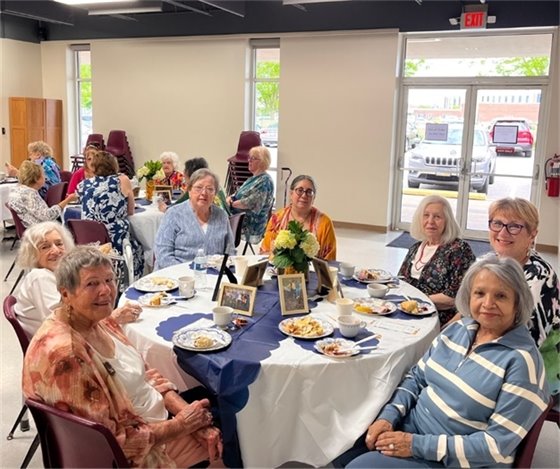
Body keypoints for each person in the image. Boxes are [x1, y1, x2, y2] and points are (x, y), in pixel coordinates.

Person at [22, 247, 222, 468]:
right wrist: (182, 425)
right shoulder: (67, 357)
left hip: (151, 417)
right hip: (138, 452)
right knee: (231, 442)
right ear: (65, 293)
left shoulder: (98, 320)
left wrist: (189, 416)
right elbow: (112, 442)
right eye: (92, 283)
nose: (106, 290)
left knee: (221, 406)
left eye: (109, 279)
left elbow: (147, 376)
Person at [345, 255, 549, 468]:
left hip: (454, 460)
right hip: (412, 431)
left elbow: (495, 446)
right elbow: (416, 378)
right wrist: (388, 417)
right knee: (340, 444)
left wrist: (415, 445)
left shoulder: (523, 363)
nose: (488, 304)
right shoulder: (458, 329)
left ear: (518, 303)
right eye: (480, 293)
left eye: (501, 296)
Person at [14, 221, 142, 338]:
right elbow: (64, 324)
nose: (56, 250)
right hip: (58, 344)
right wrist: (114, 317)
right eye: (45, 247)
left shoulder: (55, 274)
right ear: (32, 253)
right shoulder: (39, 277)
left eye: (59, 243)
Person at [488, 197, 559, 395]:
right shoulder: (490, 262)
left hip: (533, 367)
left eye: (514, 227)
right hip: (497, 350)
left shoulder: (538, 276)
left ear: (532, 234)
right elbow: (468, 308)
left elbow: (526, 342)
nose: (502, 232)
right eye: (497, 223)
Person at [398, 195, 475, 326]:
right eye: (426, 215)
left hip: (439, 319)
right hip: (408, 311)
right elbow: (400, 281)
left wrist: (417, 302)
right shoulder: (415, 248)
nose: (430, 221)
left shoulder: (459, 249)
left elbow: (456, 297)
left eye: (437, 217)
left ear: (447, 221)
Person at [77, 151, 144, 278]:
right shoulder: (121, 180)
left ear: (94, 167)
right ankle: (131, 281)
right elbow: (131, 210)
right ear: (114, 165)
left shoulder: (82, 185)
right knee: (140, 245)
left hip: (90, 240)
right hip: (114, 239)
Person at [154, 168, 234, 269]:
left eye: (210, 189)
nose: (204, 193)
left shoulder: (221, 215)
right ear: (189, 190)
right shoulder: (173, 214)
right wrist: (188, 274)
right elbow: (163, 255)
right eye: (198, 188)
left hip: (213, 277)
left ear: (215, 194)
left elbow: (230, 252)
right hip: (177, 277)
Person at [261, 175, 337, 260]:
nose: (304, 195)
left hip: (313, 272)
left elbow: (330, 261)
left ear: (314, 197)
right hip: (279, 271)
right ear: (291, 193)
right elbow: (265, 252)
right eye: (300, 190)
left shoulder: (325, 223)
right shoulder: (277, 218)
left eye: (309, 192)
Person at [226, 146, 274, 244]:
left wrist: (231, 204)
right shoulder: (252, 179)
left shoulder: (265, 181)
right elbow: (237, 193)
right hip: (238, 220)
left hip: (249, 227)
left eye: (253, 158)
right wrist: (229, 198)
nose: (249, 161)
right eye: (249, 158)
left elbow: (251, 203)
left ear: (262, 161)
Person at [7, 161, 76, 227]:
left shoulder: (16, 190)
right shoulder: (29, 195)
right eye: (43, 175)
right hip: (39, 229)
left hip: (30, 226)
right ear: (37, 179)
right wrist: (67, 200)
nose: (45, 178)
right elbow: (48, 216)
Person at [160, 157, 229, 214]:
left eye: (169, 163)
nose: (165, 165)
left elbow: (176, 206)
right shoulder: (215, 185)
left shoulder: (194, 188)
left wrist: (166, 208)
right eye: (163, 163)